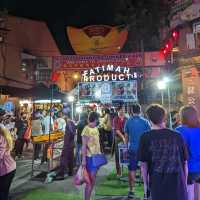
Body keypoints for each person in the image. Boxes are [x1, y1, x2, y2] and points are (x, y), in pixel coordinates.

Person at [138, 104, 188, 200]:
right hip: (178, 184)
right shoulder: (177, 136)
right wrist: (184, 184)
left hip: (158, 185)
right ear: (164, 117)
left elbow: (143, 165)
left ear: (149, 120)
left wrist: (145, 185)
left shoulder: (145, 137)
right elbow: (185, 163)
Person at [124, 103, 150, 199]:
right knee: (145, 170)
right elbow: (149, 136)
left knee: (132, 170)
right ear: (140, 111)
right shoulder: (145, 122)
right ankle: (146, 190)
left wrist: (126, 148)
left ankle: (132, 191)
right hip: (144, 149)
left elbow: (126, 137)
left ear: (131, 111)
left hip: (133, 148)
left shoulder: (128, 122)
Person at [176, 105, 200, 200]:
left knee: (188, 193)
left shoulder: (179, 130)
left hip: (187, 167)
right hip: (197, 166)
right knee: (197, 192)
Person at [82, 112, 102, 200]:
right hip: (89, 158)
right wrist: (83, 160)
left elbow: (97, 143)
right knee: (89, 181)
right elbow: (84, 146)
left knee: (93, 180)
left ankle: (89, 197)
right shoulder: (86, 129)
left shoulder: (96, 129)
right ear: (95, 119)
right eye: (98, 118)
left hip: (97, 156)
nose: (98, 120)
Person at [55, 114, 76, 180]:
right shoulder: (72, 123)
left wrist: (65, 145)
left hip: (68, 145)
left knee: (64, 158)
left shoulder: (68, 125)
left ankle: (62, 174)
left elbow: (67, 136)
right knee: (71, 158)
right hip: (72, 144)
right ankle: (71, 172)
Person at [0, 126, 16, 200]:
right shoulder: (4, 137)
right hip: (9, 169)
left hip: (6, 170)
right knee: (4, 192)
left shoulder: (1, 138)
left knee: (2, 192)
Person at [113, 106, 127, 176]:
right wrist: (123, 138)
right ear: (118, 111)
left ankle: (129, 170)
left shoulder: (126, 119)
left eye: (124, 110)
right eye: (121, 110)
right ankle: (119, 172)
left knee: (127, 154)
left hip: (126, 137)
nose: (123, 111)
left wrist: (126, 137)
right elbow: (117, 130)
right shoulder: (116, 119)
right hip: (118, 138)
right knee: (118, 155)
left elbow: (127, 129)